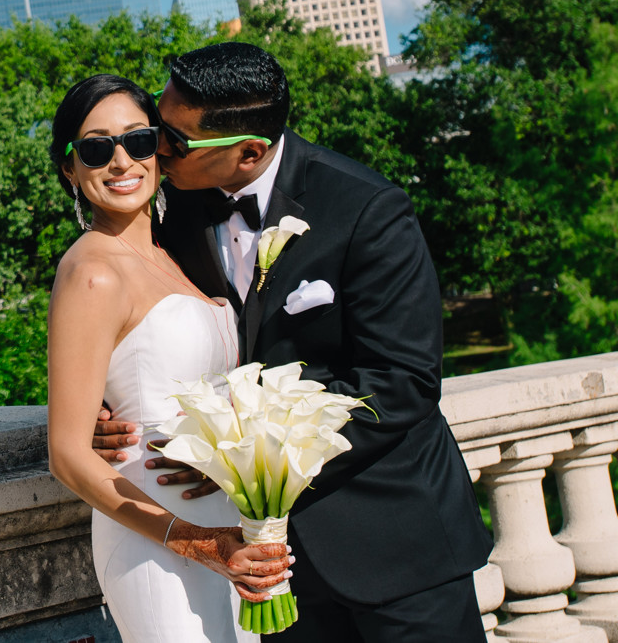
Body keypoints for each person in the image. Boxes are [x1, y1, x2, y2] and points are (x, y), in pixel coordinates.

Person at [91, 42, 492, 642]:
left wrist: (241, 458)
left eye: (173, 140)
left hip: (397, 543)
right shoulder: (172, 217)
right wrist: (106, 402)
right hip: (265, 572)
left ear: (249, 151)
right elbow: (142, 325)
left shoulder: (370, 211)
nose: (156, 151)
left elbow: (402, 383)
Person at [47, 72, 291, 642]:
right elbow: (66, 453)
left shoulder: (176, 252)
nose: (120, 161)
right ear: (71, 169)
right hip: (155, 529)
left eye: (137, 141)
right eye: (95, 148)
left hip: (231, 520)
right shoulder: (91, 270)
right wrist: (192, 541)